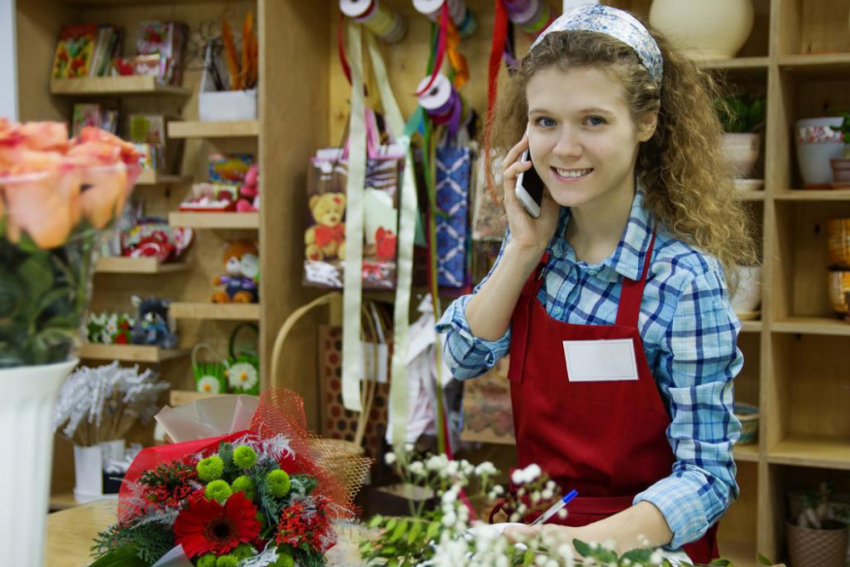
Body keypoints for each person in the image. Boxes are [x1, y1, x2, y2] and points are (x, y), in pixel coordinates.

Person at [435, 5, 757, 563]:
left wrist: (578, 543)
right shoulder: (536, 248)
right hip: (538, 533)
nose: (563, 148)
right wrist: (523, 248)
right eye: (545, 121)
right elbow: (459, 357)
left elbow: (707, 476)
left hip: (641, 547)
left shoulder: (682, 279)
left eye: (594, 120)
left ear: (647, 123)